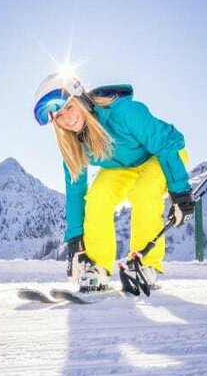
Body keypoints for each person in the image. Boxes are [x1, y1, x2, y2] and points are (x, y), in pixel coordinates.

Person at [33, 72, 195, 292]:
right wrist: (75, 241)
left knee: (143, 192)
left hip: (162, 155)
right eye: (58, 116)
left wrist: (180, 192)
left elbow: (164, 144)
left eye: (69, 107)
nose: (67, 118)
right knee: (97, 198)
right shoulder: (73, 145)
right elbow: (75, 193)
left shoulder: (123, 112)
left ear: (80, 99)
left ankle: (145, 266)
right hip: (123, 168)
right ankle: (98, 267)